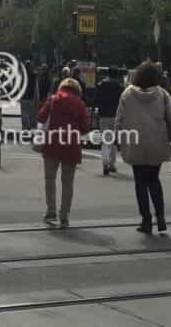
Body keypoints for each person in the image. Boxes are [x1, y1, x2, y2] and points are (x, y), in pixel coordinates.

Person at [114, 62, 171, 233]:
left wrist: (117, 138)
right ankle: (161, 217)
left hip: (135, 142)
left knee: (140, 183)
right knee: (154, 180)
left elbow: (119, 119)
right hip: (157, 141)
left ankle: (146, 221)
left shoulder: (127, 94)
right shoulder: (162, 94)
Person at [37, 77, 90, 228]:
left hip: (52, 143)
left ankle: (51, 211)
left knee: (50, 179)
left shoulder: (53, 100)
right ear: (77, 90)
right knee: (67, 182)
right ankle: (64, 215)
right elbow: (86, 127)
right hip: (71, 145)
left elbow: (40, 117)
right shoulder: (80, 104)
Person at [95, 68, 124, 175]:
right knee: (113, 141)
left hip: (103, 115)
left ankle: (105, 163)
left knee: (105, 140)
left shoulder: (101, 85)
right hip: (115, 116)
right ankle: (112, 164)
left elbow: (96, 99)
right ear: (116, 75)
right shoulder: (119, 87)